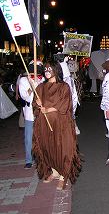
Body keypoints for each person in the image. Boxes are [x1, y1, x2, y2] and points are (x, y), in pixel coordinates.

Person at [32, 60, 82, 190]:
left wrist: (49, 109)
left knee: (62, 148)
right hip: (44, 125)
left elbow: (65, 105)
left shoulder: (63, 87)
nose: (47, 72)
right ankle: (53, 171)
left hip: (61, 125)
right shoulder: (40, 88)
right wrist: (37, 103)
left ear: (56, 70)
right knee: (48, 147)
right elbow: (35, 106)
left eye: (50, 69)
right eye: (46, 69)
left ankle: (63, 176)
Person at [18, 60, 44, 169]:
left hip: (42, 113)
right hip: (29, 113)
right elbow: (24, 96)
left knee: (42, 137)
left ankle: (42, 158)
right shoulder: (24, 80)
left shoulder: (43, 79)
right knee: (29, 138)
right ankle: (29, 159)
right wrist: (32, 86)